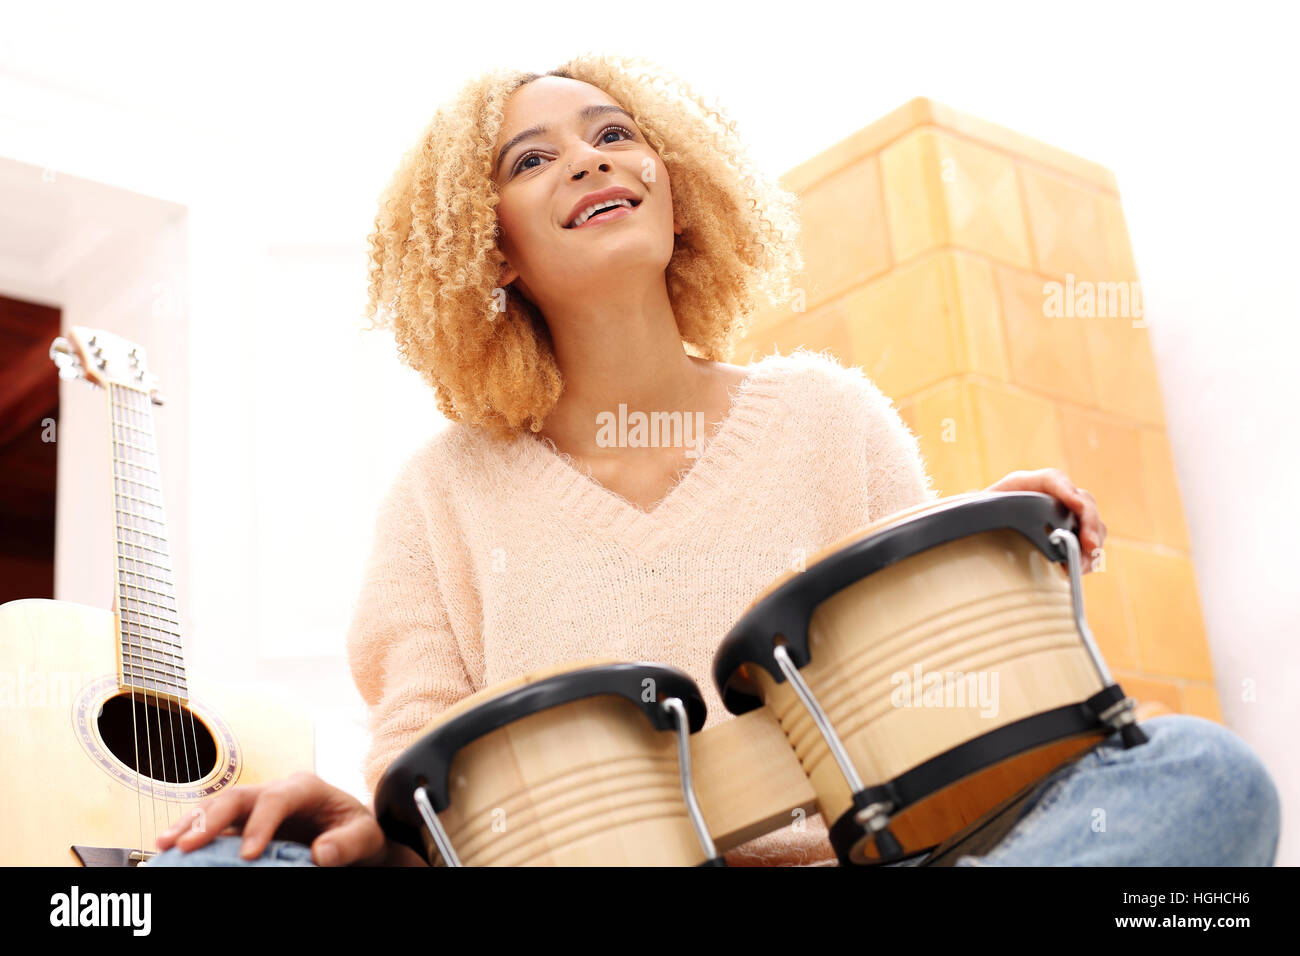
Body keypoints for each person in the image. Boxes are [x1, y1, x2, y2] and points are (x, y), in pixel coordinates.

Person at [147, 55, 1280, 869]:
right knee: (204, 871)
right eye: (532, 158)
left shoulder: (830, 416)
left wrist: (986, 565)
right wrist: (348, 817)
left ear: (676, 190)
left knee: (1201, 775)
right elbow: (426, 787)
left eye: (613, 134)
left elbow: (934, 719)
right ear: (487, 245)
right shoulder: (440, 492)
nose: (589, 160)